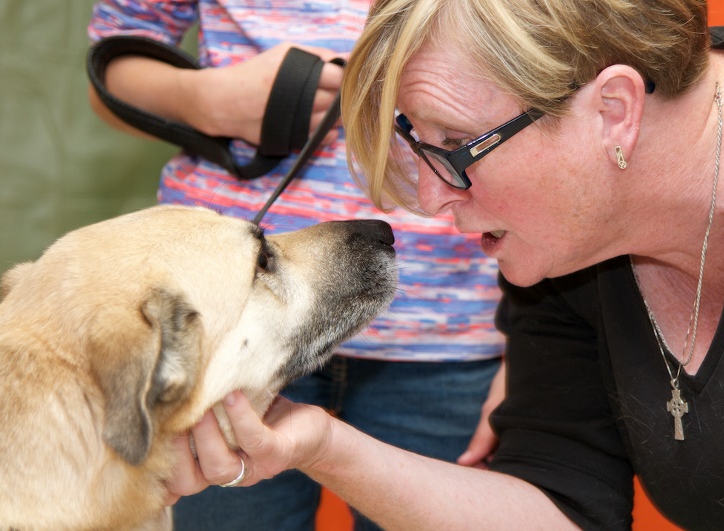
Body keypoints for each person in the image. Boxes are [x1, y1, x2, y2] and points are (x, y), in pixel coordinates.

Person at [163, 0, 724, 529]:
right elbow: (562, 508)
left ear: (614, 110)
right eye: (421, 146)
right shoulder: (566, 250)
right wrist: (320, 445)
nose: (435, 198)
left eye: (457, 146)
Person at [86, 1, 506, 530]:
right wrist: (206, 100)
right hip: (225, 337)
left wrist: (534, 351)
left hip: (454, 335)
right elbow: (111, 62)